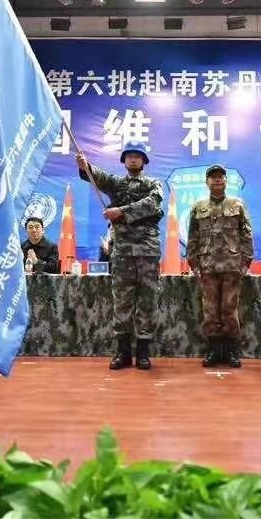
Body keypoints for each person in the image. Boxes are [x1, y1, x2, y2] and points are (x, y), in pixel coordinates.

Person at [76, 141, 164, 370]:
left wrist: (120, 212)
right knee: (122, 302)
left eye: (137, 156)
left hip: (147, 251)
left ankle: (143, 353)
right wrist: (86, 166)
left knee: (147, 302)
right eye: (129, 155)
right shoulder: (116, 183)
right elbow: (99, 177)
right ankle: (123, 353)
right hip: (123, 251)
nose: (133, 159)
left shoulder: (154, 184)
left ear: (144, 161)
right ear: (124, 160)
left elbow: (152, 204)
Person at [186, 165, 254, 368]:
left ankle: (231, 352)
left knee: (229, 309)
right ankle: (214, 351)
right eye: (213, 177)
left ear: (226, 181)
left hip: (232, 266)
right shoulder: (198, 206)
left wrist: (246, 261)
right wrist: (193, 262)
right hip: (207, 266)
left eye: (220, 177)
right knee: (210, 311)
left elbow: (246, 233)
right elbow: (192, 236)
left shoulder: (237, 204)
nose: (217, 180)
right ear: (206, 182)